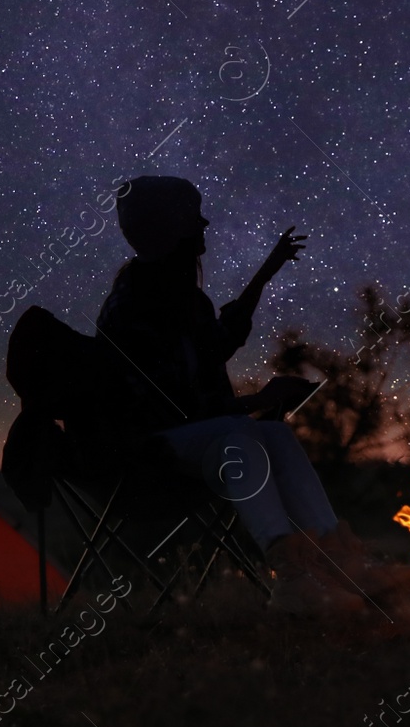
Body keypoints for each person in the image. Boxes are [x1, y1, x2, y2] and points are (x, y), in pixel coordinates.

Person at [96, 175, 382, 615]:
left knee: (275, 435)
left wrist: (267, 272)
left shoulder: (185, 300)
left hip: (195, 440)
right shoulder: (134, 305)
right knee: (240, 435)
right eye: (194, 217)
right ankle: (292, 579)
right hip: (148, 451)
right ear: (169, 228)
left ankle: (342, 564)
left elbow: (219, 342)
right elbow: (172, 408)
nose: (205, 222)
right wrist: (256, 400)